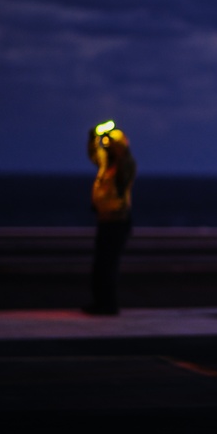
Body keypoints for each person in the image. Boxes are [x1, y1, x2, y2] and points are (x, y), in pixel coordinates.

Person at [85, 122, 137, 315]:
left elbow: (124, 161)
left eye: (110, 142)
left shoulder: (126, 164)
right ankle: (99, 302)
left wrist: (116, 142)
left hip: (118, 221)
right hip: (104, 219)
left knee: (108, 265)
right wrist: (93, 137)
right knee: (100, 264)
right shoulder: (106, 164)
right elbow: (93, 154)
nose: (106, 144)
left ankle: (109, 304)